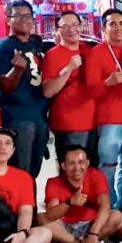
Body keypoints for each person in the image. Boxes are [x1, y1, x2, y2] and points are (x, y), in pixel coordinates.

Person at [39, 145, 122, 243]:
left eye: (81, 162)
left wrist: (94, 233)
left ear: (87, 163)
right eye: (71, 163)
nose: (77, 167)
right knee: (40, 218)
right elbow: (50, 215)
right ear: (63, 166)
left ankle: (90, 242)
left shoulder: (96, 176)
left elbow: (105, 205)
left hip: (91, 226)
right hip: (65, 228)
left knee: (117, 216)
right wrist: (69, 202)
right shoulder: (53, 182)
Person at [84, 8, 122, 209]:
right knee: (107, 165)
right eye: (112, 24)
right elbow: (90, 91)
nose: (118, 28)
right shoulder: (96, 54)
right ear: (103, 30)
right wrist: (108, 82)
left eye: (121, 23)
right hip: (109, 120)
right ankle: (107, 206)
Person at [0, 0, 47, 177]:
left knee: (33, 170)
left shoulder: (34, 45)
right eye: (18, 16)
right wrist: (17, 70)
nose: (24, 20)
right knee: (20, 171)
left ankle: (30, 205)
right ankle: (20, 205)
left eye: (28, 16)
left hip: (39, 116)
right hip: (17, 117)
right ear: (8, 20)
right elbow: (3, 87)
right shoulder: (2, 47)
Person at [42, 11, 97, 163]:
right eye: (65, 26)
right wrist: (68, 69)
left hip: (94, 121)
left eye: (74, 24)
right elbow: (48, 91)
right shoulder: (52, 55)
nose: (71, 29)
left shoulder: (88, 50)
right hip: (69, 124)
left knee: (91, 171)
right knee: (72, 171)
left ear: (81, 26)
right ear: (57, 29)